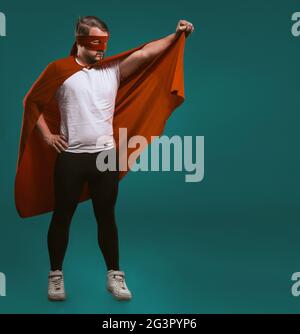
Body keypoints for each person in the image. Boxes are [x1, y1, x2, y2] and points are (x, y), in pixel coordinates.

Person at [31, 16, 194, 301]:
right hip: (71, 158)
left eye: (104, 43)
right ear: (80, 41)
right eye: (95, 43)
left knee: (106, 217)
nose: (101, 49)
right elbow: (32, 102)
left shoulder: (112, 70)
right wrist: (46, 135)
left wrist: (177, 35)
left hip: (105, 158)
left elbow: (146, 54)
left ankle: (114, 277)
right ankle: (55, 276)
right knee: (62, 217)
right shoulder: (59, 70)